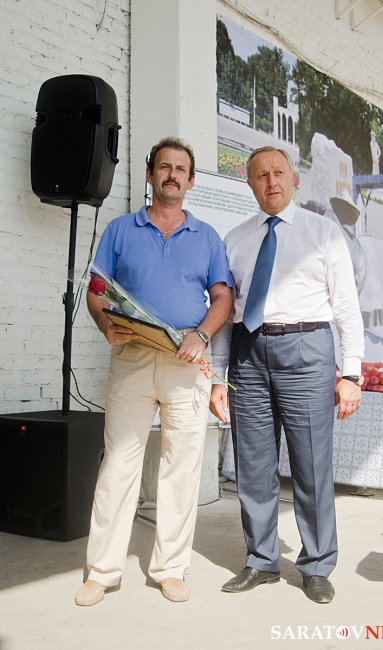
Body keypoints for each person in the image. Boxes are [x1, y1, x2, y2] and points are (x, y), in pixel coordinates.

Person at [75, 137, 232, 606]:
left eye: (180, 169)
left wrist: (201, 334)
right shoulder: (120, 230)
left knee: (181, 465)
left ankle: (170, 569)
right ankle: (101, 572)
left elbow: (222, 297)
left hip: (188, 360)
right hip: (133, 357)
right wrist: (105, 324)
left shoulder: (207, 237)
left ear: (191, 180)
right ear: (150, 175)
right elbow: (96, 290)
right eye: (164, 167)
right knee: (118, 464)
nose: (172, 175)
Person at [210, 146, 364, 604]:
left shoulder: (324, 233)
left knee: (311, 464)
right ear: (250, 183)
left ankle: (316, 565)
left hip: (307, 350)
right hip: (248, 355)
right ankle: (261, 560)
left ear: (294, 179)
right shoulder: (235, 239)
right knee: (253, 464)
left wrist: (352, 374)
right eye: (261, 175)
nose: (271, 181)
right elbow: (226, 315)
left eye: (279, 172)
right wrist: (218, 376)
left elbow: (346, 308)